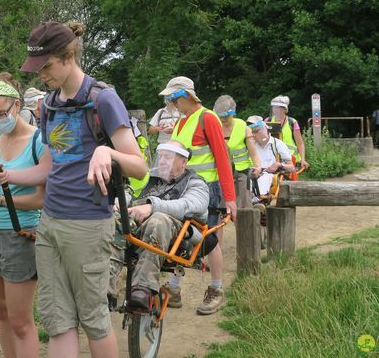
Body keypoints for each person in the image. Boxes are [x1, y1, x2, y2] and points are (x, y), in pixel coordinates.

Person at [6, 21, 147, 358]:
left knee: (94, 318)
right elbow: (49, 168)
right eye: (36, 68)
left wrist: (106, 151)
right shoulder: (50, 103)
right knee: (58, 320)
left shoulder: (104, 99)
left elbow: (139, 165)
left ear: (68, 57)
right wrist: (8, 175)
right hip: (50, 223)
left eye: (46, 66)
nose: (40, 75)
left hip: (87, 224)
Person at [0, 73, 48, 358]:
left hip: (20, 236)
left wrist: (2, 199)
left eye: (1, 113)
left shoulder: (39, 141)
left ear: (17, 106)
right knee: (2, 314)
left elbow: (41, 199)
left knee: (20, 321)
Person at [107, 141, 223, 311]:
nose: (161, 161)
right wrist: (118, 202)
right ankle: (105, 290)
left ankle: (143, 288)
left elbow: (190, 205)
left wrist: (151, 206)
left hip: (177, 235)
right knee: (113, 219)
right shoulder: (152, 181)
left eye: (167, 158)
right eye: (160, 157)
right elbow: (130, 193)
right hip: (140, 230)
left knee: (159, 219)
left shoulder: (196, 183)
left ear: (183, 162)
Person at [160, 76, 236, 315]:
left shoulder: (207, 118)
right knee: (181, 237)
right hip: (184, 190)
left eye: (172, 100)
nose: (171, 105)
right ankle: (174, 289)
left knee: (208, 240)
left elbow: (222, 158)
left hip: (209, 190)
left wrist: (230, 197)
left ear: (183, 96)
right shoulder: (182, 123)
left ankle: (216, 289)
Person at [213, 95, 262, 209]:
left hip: (242, 173)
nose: (223, 119)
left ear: (233, 113)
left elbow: (253, 153)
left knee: (244, 208)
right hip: (221, 172)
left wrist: (258, 166)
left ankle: (247, 226)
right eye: (220, 116)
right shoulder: (215, 126)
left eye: (225, 116)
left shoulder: (243, 127)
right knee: (219, 210)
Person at [247, 115, 296, 197]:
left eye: (256, 131)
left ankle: (260, 199)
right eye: (252, 132)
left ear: (264, 129)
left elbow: (292, 168)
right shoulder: (251, 145)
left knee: (265, 179)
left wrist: (278, 164)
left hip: (268, 174)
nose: (254, 135)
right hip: (253, 173)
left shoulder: (277, 144)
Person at [267, 95, 309, 169]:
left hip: (290, 159)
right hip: (273, 159)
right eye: (274, 107)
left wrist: (303, 159)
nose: (275, 109)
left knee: (289, 180)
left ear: (284, 109)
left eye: (278, 107)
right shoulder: (268, 121)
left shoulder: (292, 122)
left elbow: (300, 143)